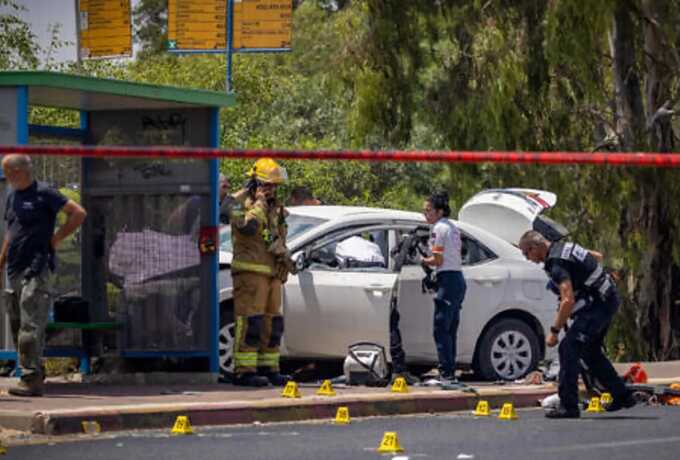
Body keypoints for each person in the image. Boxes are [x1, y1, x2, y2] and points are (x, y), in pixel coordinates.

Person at [518, 230, 636, 418]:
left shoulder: (556, 263)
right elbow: (597, 257)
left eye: (527, 254)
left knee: (568, 347)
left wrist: (554, 331)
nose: (529, 259)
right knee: (589, 351)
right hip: (608, 298)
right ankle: (621, 395)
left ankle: (569, 406)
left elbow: (567, 300)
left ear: (534, 248)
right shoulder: (564, 248)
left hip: (599, 306)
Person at [0, 154, 86, 397]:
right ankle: (32, 370)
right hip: (14, 268)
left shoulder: (45, 193)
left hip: (37, 267)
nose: (6, 177)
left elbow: (78, 213)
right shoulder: (12, 197)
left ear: (20, 171)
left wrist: (56, 238)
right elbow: (11, 231)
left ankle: (31, 378)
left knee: (30, 323)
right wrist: (2, 260)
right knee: (17, 324)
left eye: (8, 172)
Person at [228, 158, 294, 387]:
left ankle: (269, 368)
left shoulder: (277, 207)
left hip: (272, 273)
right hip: (250, 273)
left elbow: (275, 236)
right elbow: (248, 229)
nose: (272, 190)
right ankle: (244, 371)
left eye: (275, 186)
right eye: (268, 185)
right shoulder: (237, 202)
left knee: (272, 324)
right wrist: (259, 204)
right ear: (255, 183)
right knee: (251, 322)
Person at [421, 191, 466, 384]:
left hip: (447, 280)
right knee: (450, 329)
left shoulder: (438, 229)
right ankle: (449, 371)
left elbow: (437, 259)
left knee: (441, 329)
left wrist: (422, 260)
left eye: (428, 211)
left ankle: (446, 374)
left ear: (439, 211)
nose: (425, 215)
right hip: (457, 279)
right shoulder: (452, 226)